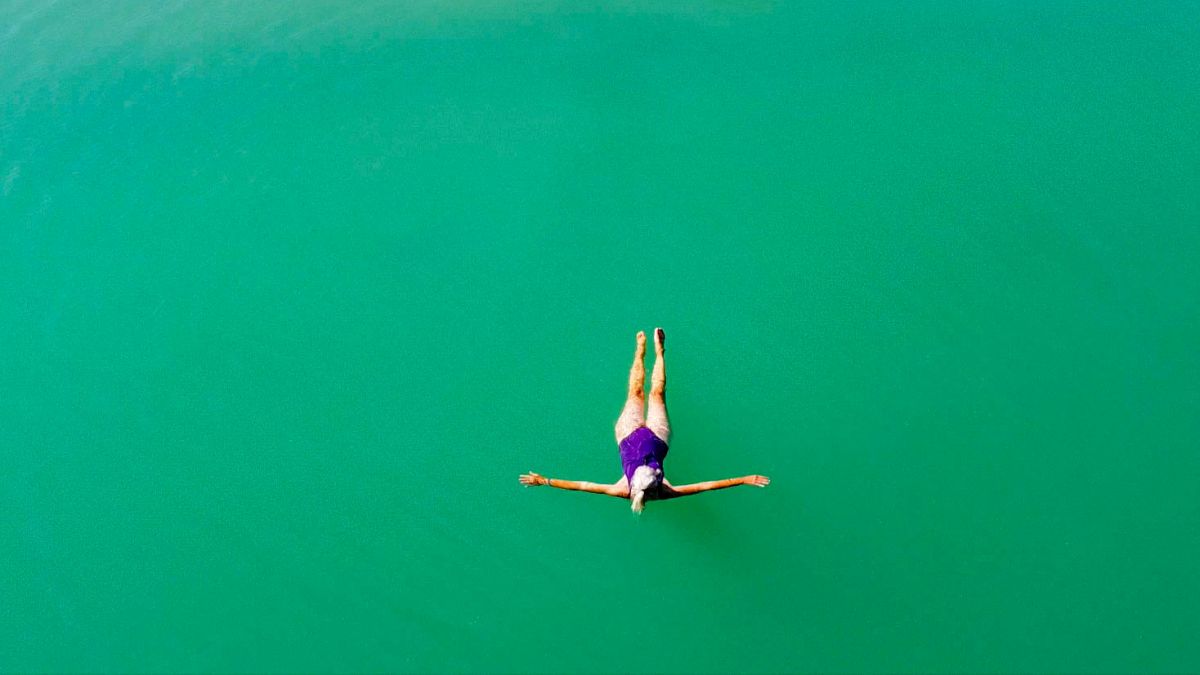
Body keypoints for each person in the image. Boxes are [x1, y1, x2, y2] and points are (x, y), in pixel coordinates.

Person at [519, 328, 770, 513]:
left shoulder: (621, 489)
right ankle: (660, 352)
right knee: (657, 393)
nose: (655, 470)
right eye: (655, 472)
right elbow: (707, 485)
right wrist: (744, 479)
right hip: (659, 439)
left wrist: (545, 481)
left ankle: (640, 352)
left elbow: (581, 485)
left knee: (636, 393)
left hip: (627, 435)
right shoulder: (664, 492)